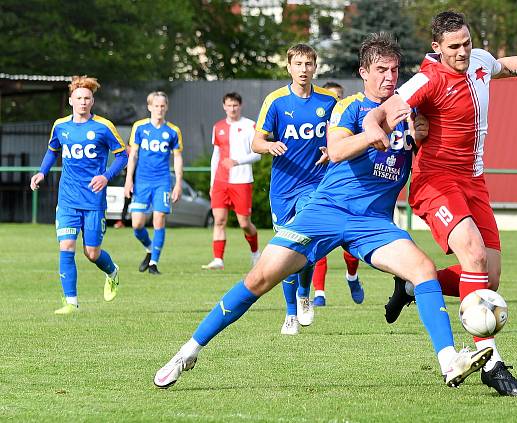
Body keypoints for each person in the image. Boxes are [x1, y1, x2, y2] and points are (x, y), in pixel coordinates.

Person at [153, 33, 492, 390]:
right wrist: (378, 130)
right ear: (363, 72)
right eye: (380, 70)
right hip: (326, 210)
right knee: (258, 280)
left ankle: (449, 360)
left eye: (394, 70)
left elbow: (434, 141)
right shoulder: (350, 108)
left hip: (373, 222)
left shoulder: (411, 112)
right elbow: (339, 148)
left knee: (423, 269)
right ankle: (187, 350)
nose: (389, 77)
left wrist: (420, 135)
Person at [364, 10, 517, 396]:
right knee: (474, 257)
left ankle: (414, 285)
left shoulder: (479, 60)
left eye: (467, 43)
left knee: (491, 278)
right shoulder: (429, 77)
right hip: (435, 182)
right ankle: (492, 362)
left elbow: (507, 65)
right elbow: (384, 109)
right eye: (454, 47)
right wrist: (374, 129)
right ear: (436, 47)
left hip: (474, 182)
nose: (463, 52)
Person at [252, 44, 351, 335]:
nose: (304, 69)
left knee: (305, 245)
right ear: (289, 67)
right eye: (298, 64)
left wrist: (330, 149)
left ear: (315, 67)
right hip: (283, 189)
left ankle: (303, 293)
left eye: (308, 63)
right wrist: (269, 145)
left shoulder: (329, 101)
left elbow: (341, 137)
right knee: (285, 250)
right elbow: (255, 142)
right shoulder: (276, 101)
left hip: (315, 185)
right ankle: (290, 312)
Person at [29, 75, 127, 314]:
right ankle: (71, 302)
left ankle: (112, 271)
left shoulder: (104, 126)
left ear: (92, 101)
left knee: (91, 253)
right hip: (68, 198)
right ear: (71, 101)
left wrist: (105, 176)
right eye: (79, 98)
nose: (83, 102)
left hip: (93, 200)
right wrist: (42, 172)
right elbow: (52, 151)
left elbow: (123, 155)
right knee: (67, 246)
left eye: (87, 98)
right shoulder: (60, 126)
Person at [311, 81, 364, 307]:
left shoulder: (354, 119)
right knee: (318, 243)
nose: (337, 103)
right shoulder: (317, 123)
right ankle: (319, 293)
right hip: (319, 186)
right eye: (332, 99)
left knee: (351, 248)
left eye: (339, 98)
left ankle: (352, 277)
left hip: (347, 191)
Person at [124, 92, 184, 275]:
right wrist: (128, 180)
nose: (159, 109)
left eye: (162, 106)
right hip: (142, 182)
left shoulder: (173, 131)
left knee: (159, 219)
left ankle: (154, 264)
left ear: (166, 107)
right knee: (137, 225)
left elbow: (178, 158)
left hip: (162, 182)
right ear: (149, 107)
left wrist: (178, 183)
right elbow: (133, 155)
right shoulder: (140, 127)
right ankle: (150, 249)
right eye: (156, 106)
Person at [202, 92, 261, 270]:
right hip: (221, 181)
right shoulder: (218, 127)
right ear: (224, 106)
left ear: (240, 106)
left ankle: (255, 253)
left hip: (242, 180)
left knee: (244, 223)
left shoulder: (250, 125)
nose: (232, 108)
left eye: (235, 105)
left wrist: (237, 161)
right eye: (229, 105)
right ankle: (218, 259)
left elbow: (258, 154)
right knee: (219, 220)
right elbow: (216, 156)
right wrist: (212, 183)